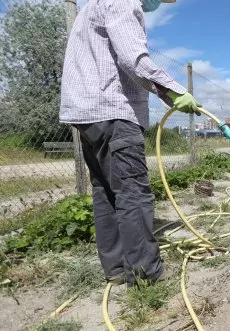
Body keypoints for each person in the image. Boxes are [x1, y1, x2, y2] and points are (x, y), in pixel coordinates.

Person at [59, 0, 201, 286]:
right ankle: (146, 272)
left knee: (107, 191)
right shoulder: (123, 2)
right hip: (114, 111)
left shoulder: (93, 5)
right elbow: (134, 59)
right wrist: (174, 92)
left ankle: (116, 269)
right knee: (133, 192)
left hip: (87, 114)